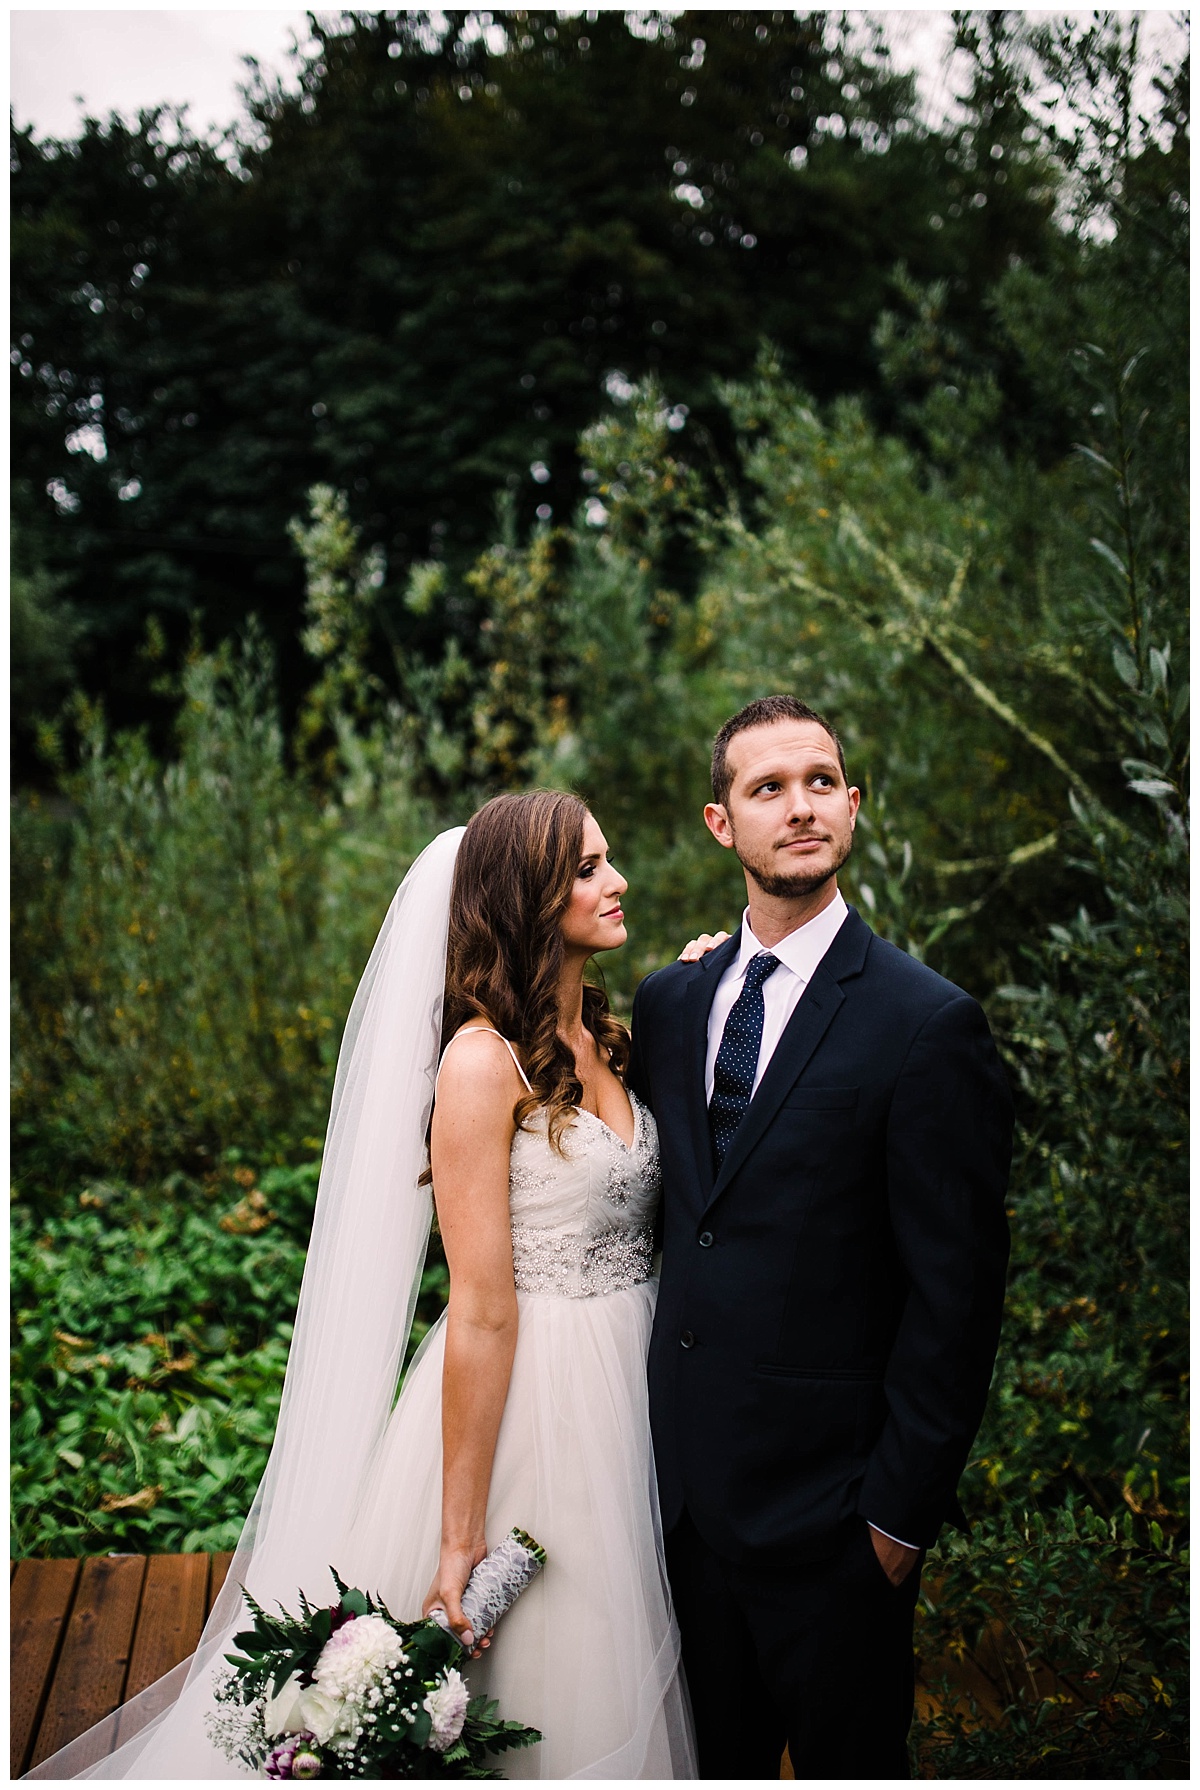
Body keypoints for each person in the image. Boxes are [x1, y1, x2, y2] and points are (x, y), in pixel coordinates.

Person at [29, 794, 695, 1780]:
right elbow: (478, 1303)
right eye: (591, 867)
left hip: (645, 1375)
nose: (618, 880)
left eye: (609, 859)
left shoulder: (604, 1034)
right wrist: (460, 1532)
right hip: (546, 1409)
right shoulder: (480, 1062)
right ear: (528, 897)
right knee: (558, 1669)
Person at [628, 695, 1013, 1781]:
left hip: (838, 1531)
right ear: (721, 822)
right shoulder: (670, 1002)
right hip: (681, 1520)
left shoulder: (927, 1022)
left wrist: (896, 1519)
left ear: (852, 802)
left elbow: (959, 1295)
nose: (801, 807)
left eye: (821, 781)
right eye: (768, 787)